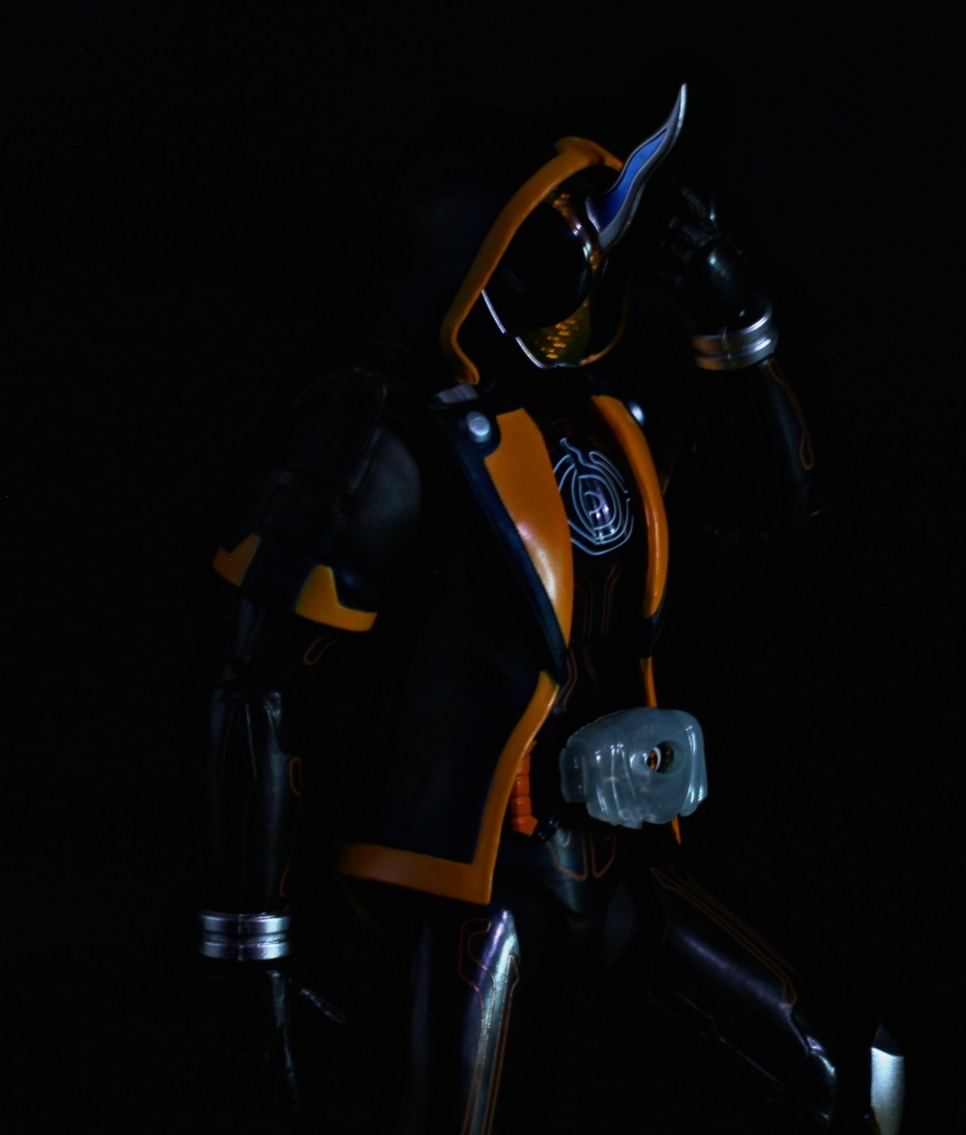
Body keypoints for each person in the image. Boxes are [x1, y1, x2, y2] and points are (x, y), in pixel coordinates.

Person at [197, 86, 908, 1134]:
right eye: (559, 222)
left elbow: (773, 498)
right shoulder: (388, 442)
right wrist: (246, 949)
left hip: (610, 861)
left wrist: (726, 312)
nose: (588, 242)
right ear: (478, 244)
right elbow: (257, 689)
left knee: (849, 1082)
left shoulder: (606, 424)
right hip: (474, 880)